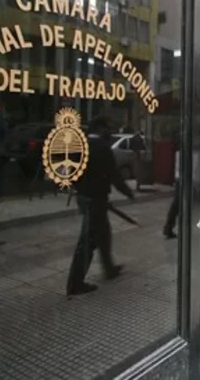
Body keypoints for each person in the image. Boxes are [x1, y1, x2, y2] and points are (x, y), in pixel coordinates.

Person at [66, 116, 135, 296]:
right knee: (88, 240)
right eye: (107, 128)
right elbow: (114, 175)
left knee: (103, 233)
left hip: (85, 197)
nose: (110, 131)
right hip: (95, 199)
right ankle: (75, 284)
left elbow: (70, 171)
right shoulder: (102, 147)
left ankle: (109, 268)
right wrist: (128, 192)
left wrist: (80, 188)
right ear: (99, 128)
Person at [163, 138, 180, 239]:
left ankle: (168, 227)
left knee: (176, 205)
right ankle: (168, 228)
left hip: (179, 179)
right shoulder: (185, 152)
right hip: (186, 180)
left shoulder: (178, 152)